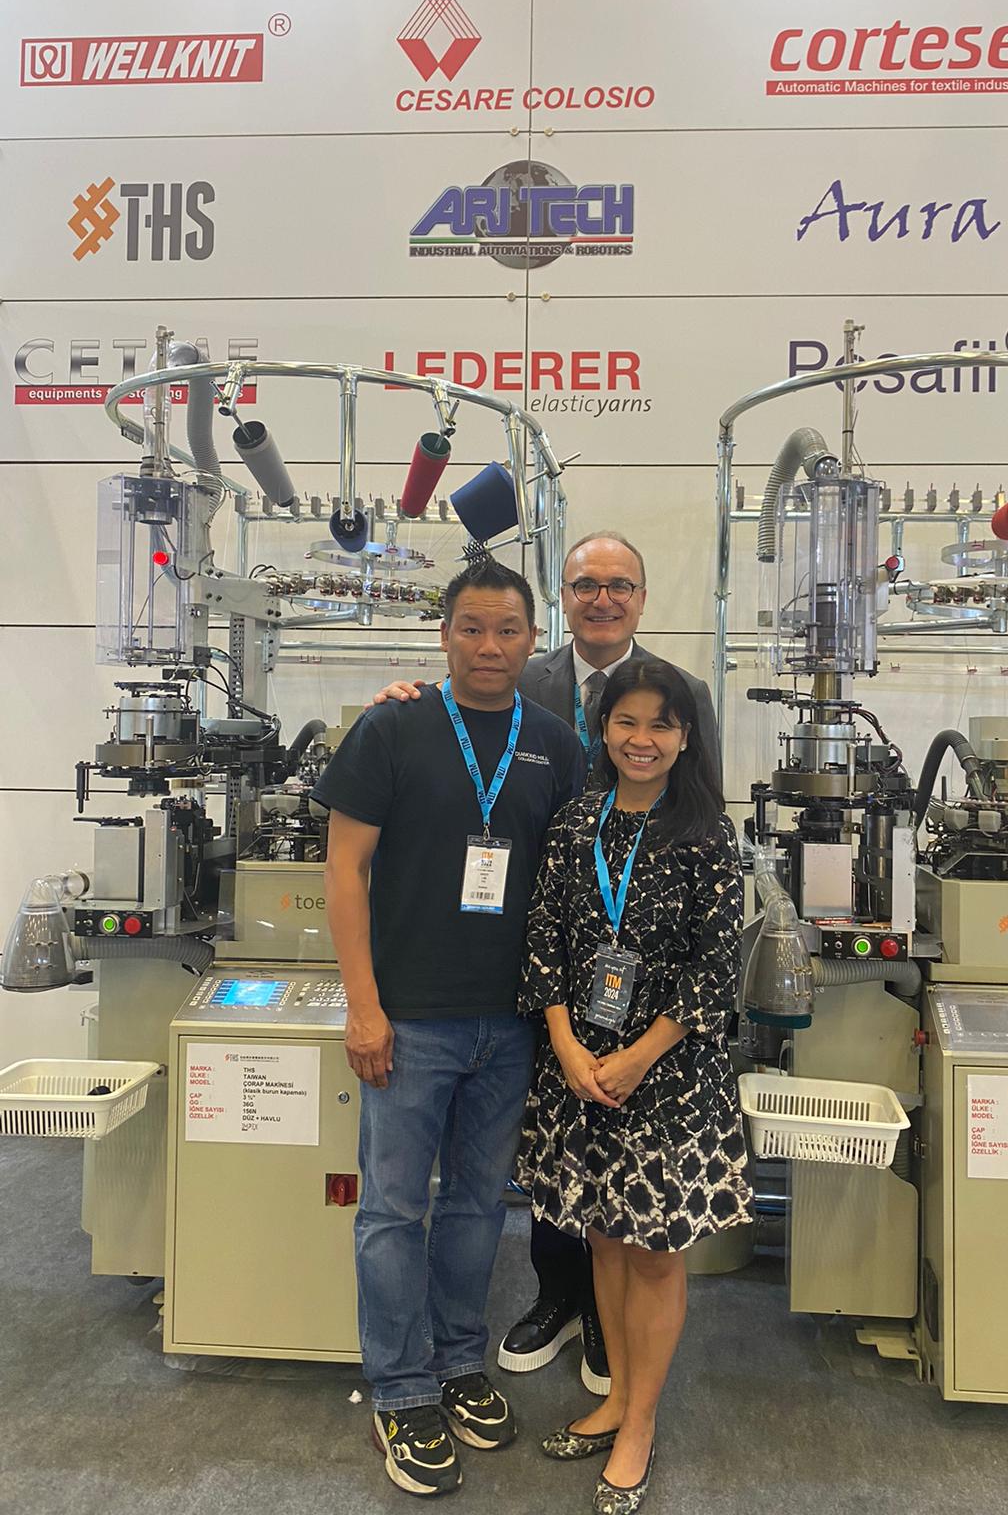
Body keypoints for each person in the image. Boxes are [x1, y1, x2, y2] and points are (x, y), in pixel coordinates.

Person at [374, 531, 721, 1397]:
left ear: (641, 598)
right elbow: (459, 719)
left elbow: (699, 811)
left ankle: (612, 1329)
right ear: (560, 603)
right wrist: (402, 698)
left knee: (614, 1189)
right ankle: (557, 1298)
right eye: (585, 584)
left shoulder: (688, 695)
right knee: (556, 1160)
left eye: (620, 584)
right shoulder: (517, 677)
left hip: (645, 984)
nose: (603, 598)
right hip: (547, 969)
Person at [315, 554, 585, 1498]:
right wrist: (364, 1006)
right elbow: (344, 871)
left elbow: (572, 881)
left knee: (477, 1207)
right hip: (409, 1019)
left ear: (531, 639)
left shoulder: (555, 743)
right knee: (394, 1209)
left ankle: (460, 1362)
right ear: (444, 635)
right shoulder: (392, 728)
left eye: (508, 629)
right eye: (472, 628)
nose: (489, 646)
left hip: (509, 1023)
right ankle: (401, 1389)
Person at [518, 655, 753, 1515]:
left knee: (654, 1251)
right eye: (627, 722)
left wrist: (638, 1056)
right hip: (580, 1070)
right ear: (603, 730)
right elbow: (543, 933)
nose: (642, 739)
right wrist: (565, 1043)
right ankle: (617, 1395)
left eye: (661, 724)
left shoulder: (705, 833)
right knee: (604, 1240)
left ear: (686, 737)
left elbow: (715, 967)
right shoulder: (576, 821)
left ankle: (641, 1423)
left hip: (667, 1077)